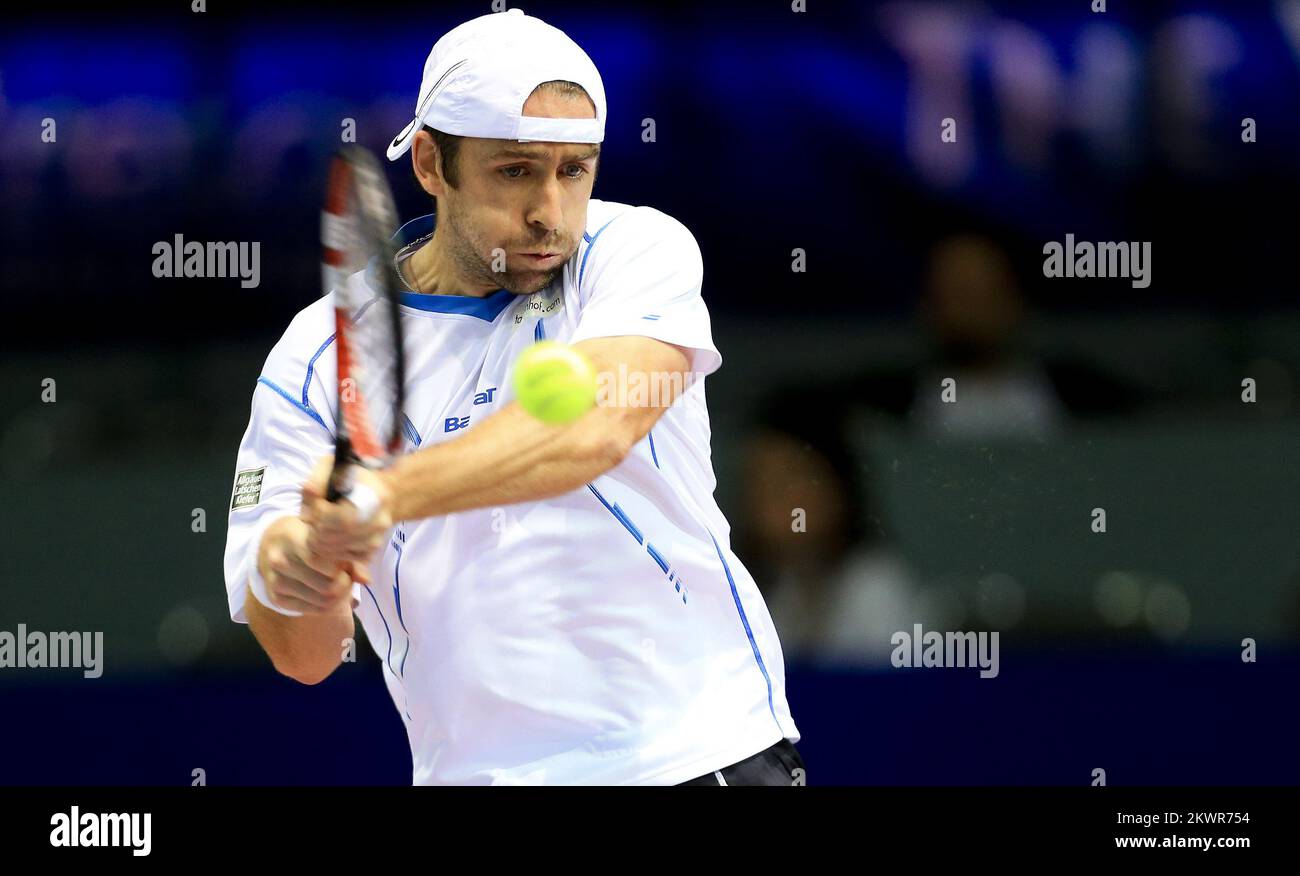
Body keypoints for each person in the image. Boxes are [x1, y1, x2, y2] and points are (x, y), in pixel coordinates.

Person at [222, 9, 802, 786]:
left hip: (694, 758)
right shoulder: (312, 356)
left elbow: (588, 434)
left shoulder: (636, 252)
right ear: (430, 162)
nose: (549, 214)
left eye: (575, 170)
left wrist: (380, 496)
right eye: (515, 171)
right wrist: (301, 570)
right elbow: (305, 656)